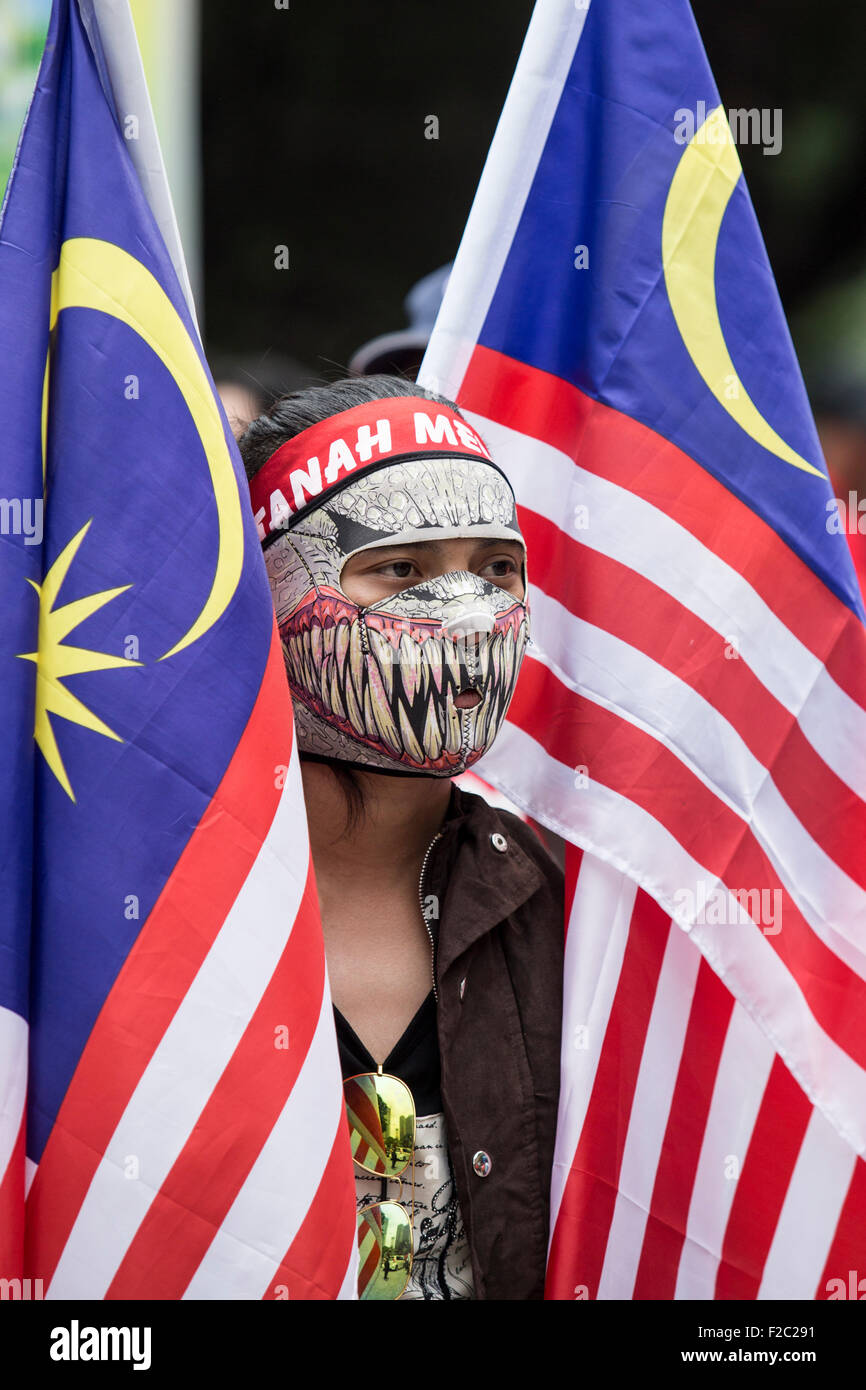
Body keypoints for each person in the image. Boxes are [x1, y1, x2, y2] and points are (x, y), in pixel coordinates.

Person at [238, 375, 564, 1300]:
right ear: (271, 587)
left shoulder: (567, 905)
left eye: (497, 567)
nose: (467, 613)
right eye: (402, 569)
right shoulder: (167, 903)